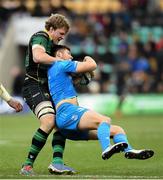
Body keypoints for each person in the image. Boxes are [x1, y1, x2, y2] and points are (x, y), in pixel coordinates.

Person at [47, 45, 154, 167]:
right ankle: (106, 148)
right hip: (68, 112)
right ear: (59, 55)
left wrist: (80, 78)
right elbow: (92, 65)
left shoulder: (55, 70)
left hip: (68, 125)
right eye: (68, 53)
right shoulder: (60, 64)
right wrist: (87, 57)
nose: (71, 56)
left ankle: (129, 150)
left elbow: (73, 82)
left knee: (117, 130)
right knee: (104, 120)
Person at [20, 14, 76, 176]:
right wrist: (63, 63)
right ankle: (27, 165)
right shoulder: (41, 37)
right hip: (33, 85)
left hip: (47, 87)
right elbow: (38, 56)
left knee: (61, 121)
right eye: (61, 33)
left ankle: (57, 163)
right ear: (51, 29)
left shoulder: (53, 46)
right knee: (49, 120)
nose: (62, 37)